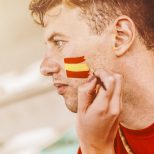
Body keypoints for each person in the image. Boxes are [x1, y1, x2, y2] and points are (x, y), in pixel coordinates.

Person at [29, 0, 154, 153]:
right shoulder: (98, 135)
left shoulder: (96, 143)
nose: (45, 68)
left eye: (59, 42)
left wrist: (96, 149)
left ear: (120, 37)